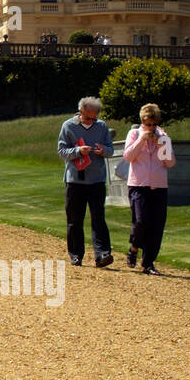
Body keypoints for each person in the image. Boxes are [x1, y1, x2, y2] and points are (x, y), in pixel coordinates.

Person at [57, 96, 115, 267]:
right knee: (75, 219)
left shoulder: (102, 126)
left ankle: (102, 254)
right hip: (75, 179)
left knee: (98, 217)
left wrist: (103, 150)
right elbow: (61, 151)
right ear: (80, 112)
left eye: (94, 117)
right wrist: (78, 151)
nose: (91, 121)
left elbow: (111, 150)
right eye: (88, 117)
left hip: (96, 179)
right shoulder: (68, 126)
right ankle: (76, 254)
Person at [122, 102, 176, 275]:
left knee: (156, 225)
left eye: (154, 124)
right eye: (148, 124)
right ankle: (134, 247)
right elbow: (128, 157)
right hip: (138, 184)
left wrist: (161, 143)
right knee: (141, 221)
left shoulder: (163, 136)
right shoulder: (134, 133)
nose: (151, 128)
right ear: (143, 122)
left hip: (159, 186)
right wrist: (142, 139)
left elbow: (170, 162)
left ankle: (148, 263)